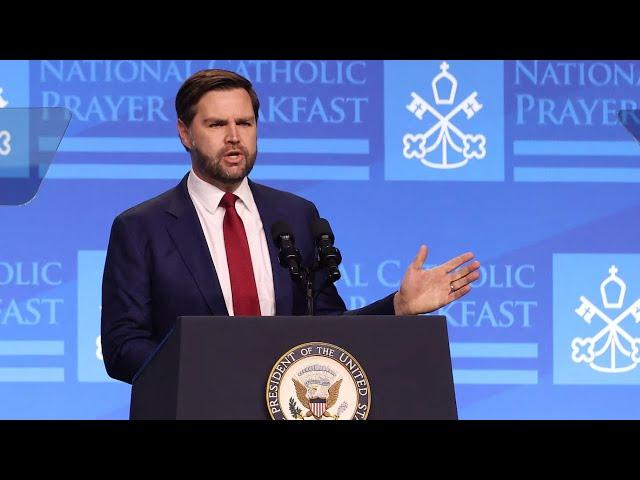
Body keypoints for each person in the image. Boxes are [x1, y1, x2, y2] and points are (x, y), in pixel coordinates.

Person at [101, 69, 480, 384]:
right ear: (185, 133)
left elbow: (326, 329)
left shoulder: (296, 215)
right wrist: (205, 370)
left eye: (245, 123)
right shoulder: (141, 227)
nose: (234, 136)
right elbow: (122, 347)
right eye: (217, 124)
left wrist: (397, 307)